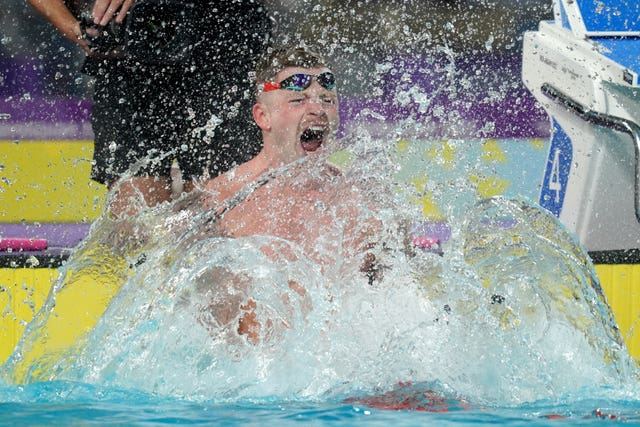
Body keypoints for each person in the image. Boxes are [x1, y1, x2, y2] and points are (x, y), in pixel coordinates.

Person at [199, 46, 384, 341]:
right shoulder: (220, 200)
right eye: (298, 100)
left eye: (327, 100)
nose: (317, 109)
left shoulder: (359, 201)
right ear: (263, 116)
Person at [27, 0, 272, 217]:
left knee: (216, 222)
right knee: (136, 230)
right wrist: (76, 30)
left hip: (221, 44)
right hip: (130, 57)